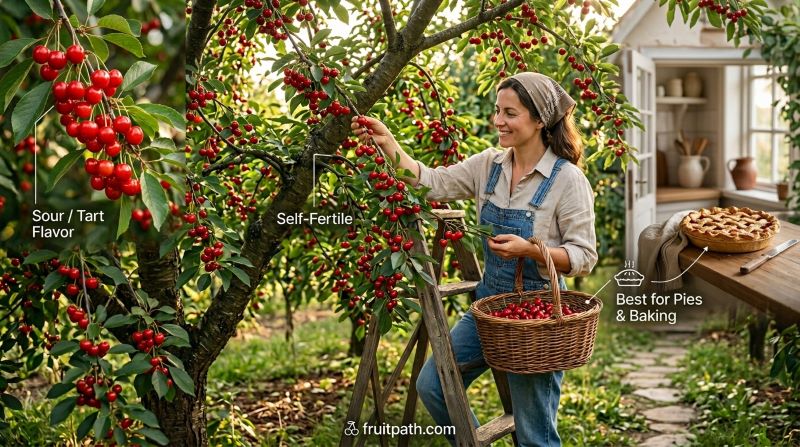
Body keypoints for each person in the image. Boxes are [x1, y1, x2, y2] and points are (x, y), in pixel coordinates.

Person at [350, 72, 598, 447]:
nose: (498, 121)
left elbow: (585, 256)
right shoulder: (490, 165)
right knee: (433, 385)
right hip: (489, 306)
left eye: (510, 113)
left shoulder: (567, 180)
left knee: (534, 434)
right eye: (497, 111)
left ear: (539, 120)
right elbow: (431, 182)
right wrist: (389, 144)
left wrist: (531, 250)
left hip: (538, 315)